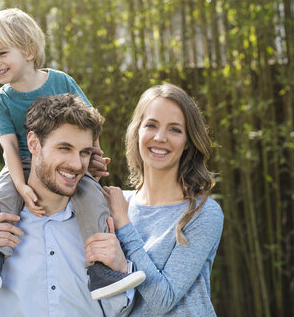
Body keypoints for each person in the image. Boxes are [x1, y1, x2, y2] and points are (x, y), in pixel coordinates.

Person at [0, 7, 144, 299]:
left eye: (1, 53)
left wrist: (92, 156)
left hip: (64, 162)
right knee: (3, 195)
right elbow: (8, 146)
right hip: (22, 162)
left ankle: (100, 268)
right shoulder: (1, 101)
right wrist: (20, 183)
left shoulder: (61, 82)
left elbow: (89, 122)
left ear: (29, 50)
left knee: (92, 196)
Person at [0, 94, 144, 316]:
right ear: (33, 144)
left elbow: (119, 312)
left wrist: (120, 267)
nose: (77, 164)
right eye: (64, 148)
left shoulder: (107, 216)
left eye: (84, 152)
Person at [85, 84, 224, 316]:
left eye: (175, 130)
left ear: (188, 141)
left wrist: (124, 227)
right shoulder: (118, 203)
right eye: (151, 125)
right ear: (137, 131)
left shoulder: (203, 213)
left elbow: (163, 300)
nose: (160, 138)